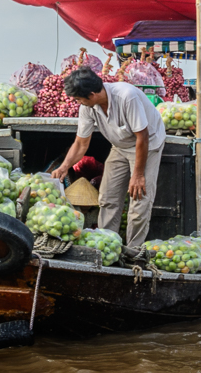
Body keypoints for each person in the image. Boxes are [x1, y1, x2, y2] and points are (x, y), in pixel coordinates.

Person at [52, 68, 167, 248]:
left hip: (147, 145)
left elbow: (142, 137)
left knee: (139, 201)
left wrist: (137, 175)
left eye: (78, 99)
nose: (77, 102)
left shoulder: (127, 96)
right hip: (120, 147)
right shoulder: (87, 107)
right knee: (107, 198)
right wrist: (64, 166)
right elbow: (81, 143)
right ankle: (107, 245)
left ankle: (133, 250)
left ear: (92, 94)